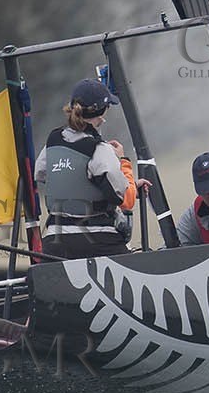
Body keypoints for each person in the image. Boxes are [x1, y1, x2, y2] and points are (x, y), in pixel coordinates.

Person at [35, 79, 138, 259]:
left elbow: (42, 173)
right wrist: (123, 161)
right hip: (97, 241)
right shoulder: (101, 150)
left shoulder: (52, 143)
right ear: (102, 113)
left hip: (54, 241)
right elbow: (127, 200)